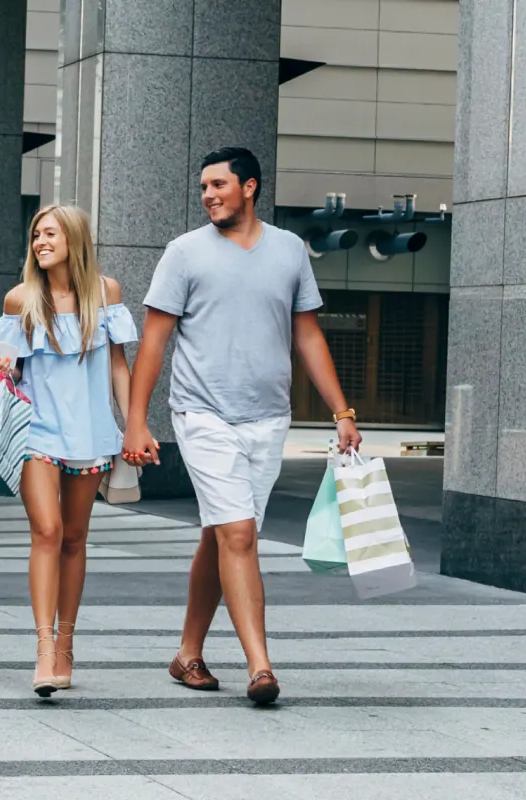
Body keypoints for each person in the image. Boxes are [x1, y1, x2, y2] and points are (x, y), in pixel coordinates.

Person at [121, 147, 361, 707]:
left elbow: (307, 335)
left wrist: (342, 411)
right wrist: (136, 421)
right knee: (240, 535)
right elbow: (154, 340)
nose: (208, 194)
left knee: (220, 533)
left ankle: (187, 654)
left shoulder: (288, 251)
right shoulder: (183, 254)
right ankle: (260, 666)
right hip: (203, 415)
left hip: (268, 419)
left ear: (249, 187)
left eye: (219, 185)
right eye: (203, 186)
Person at [0, 205, 132, 697]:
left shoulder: (105, 294)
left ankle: (66, 644)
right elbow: (3, 372)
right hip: (38, 432)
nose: (40, 242)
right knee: (46, 531)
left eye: (49, 233)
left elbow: (117, 367)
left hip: (90, 432)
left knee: (74, 537)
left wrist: (134, 426)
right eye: (35, 234)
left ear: (74, 238)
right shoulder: (19, 299)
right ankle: (45, 648)